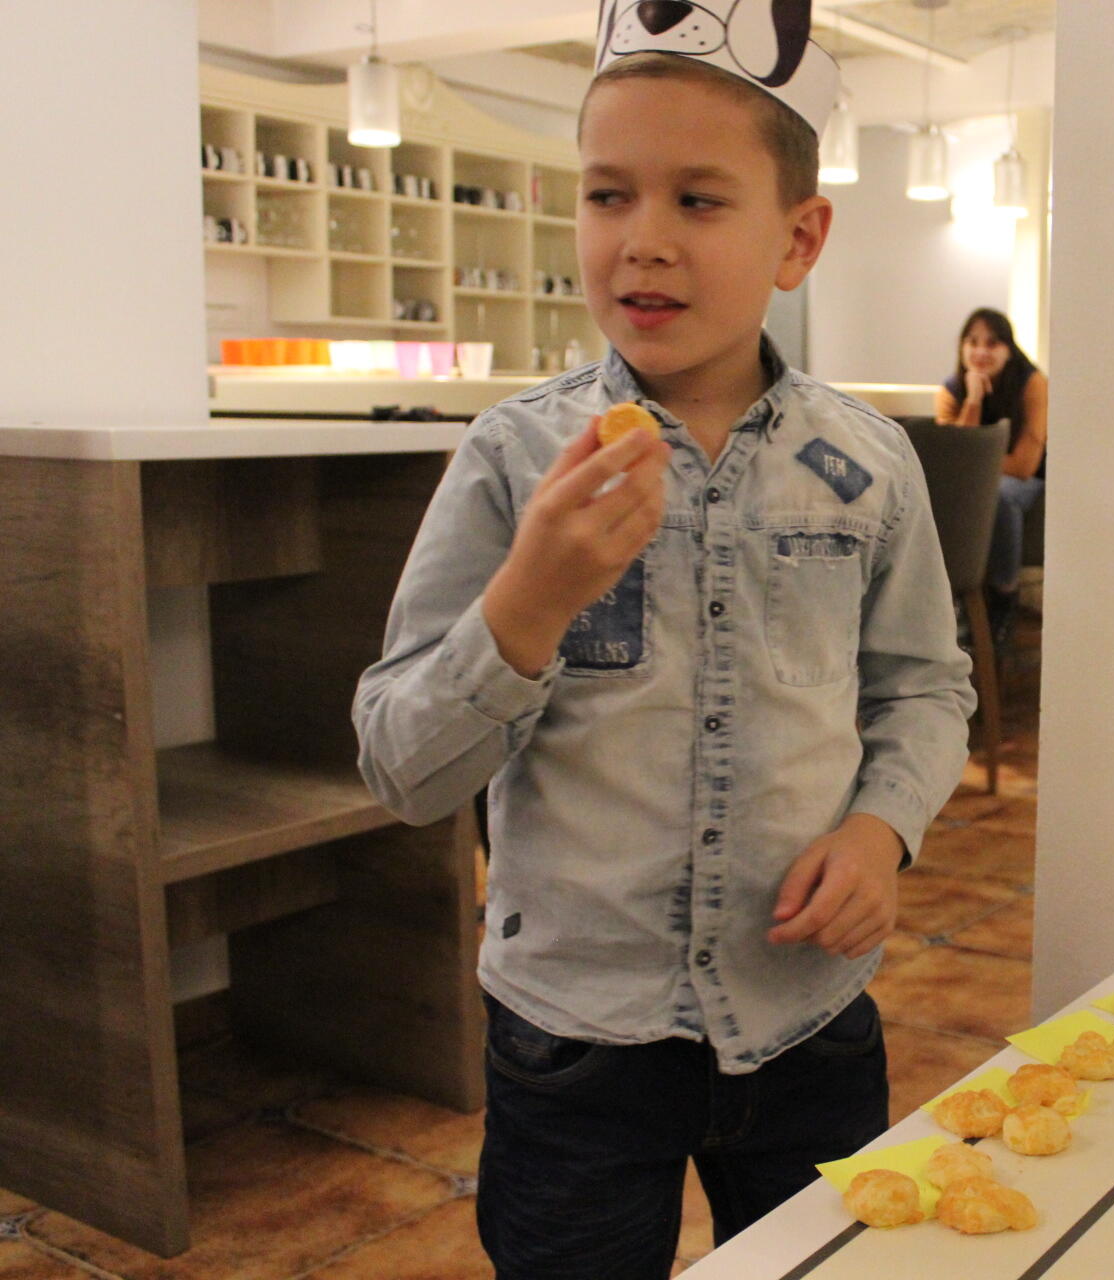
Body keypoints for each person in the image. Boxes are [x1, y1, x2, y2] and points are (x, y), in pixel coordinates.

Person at [352, 25, 975, 1280]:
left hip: (806, 1015)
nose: (643, 238)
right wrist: (527, 603)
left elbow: (923, 684)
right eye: (607, 195)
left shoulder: (867, 464)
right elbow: (402, 767)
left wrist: (881, 830)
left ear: (799, 238)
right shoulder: (515, 460)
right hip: (575, 1038)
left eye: (697, 199)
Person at [932, 307, 1049, 648]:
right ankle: (952, 602)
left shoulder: (1032, 383)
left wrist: (978, 461)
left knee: (1000, 494)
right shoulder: (952, 390)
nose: (981, 351)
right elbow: (955, 459)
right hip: (974, 481)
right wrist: (973, 400)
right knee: (942, 493)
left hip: (1028, 481)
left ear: (1009, 349)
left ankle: (1005, 595)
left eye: (992, 343)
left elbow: (1024, 466)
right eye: (973, 342)